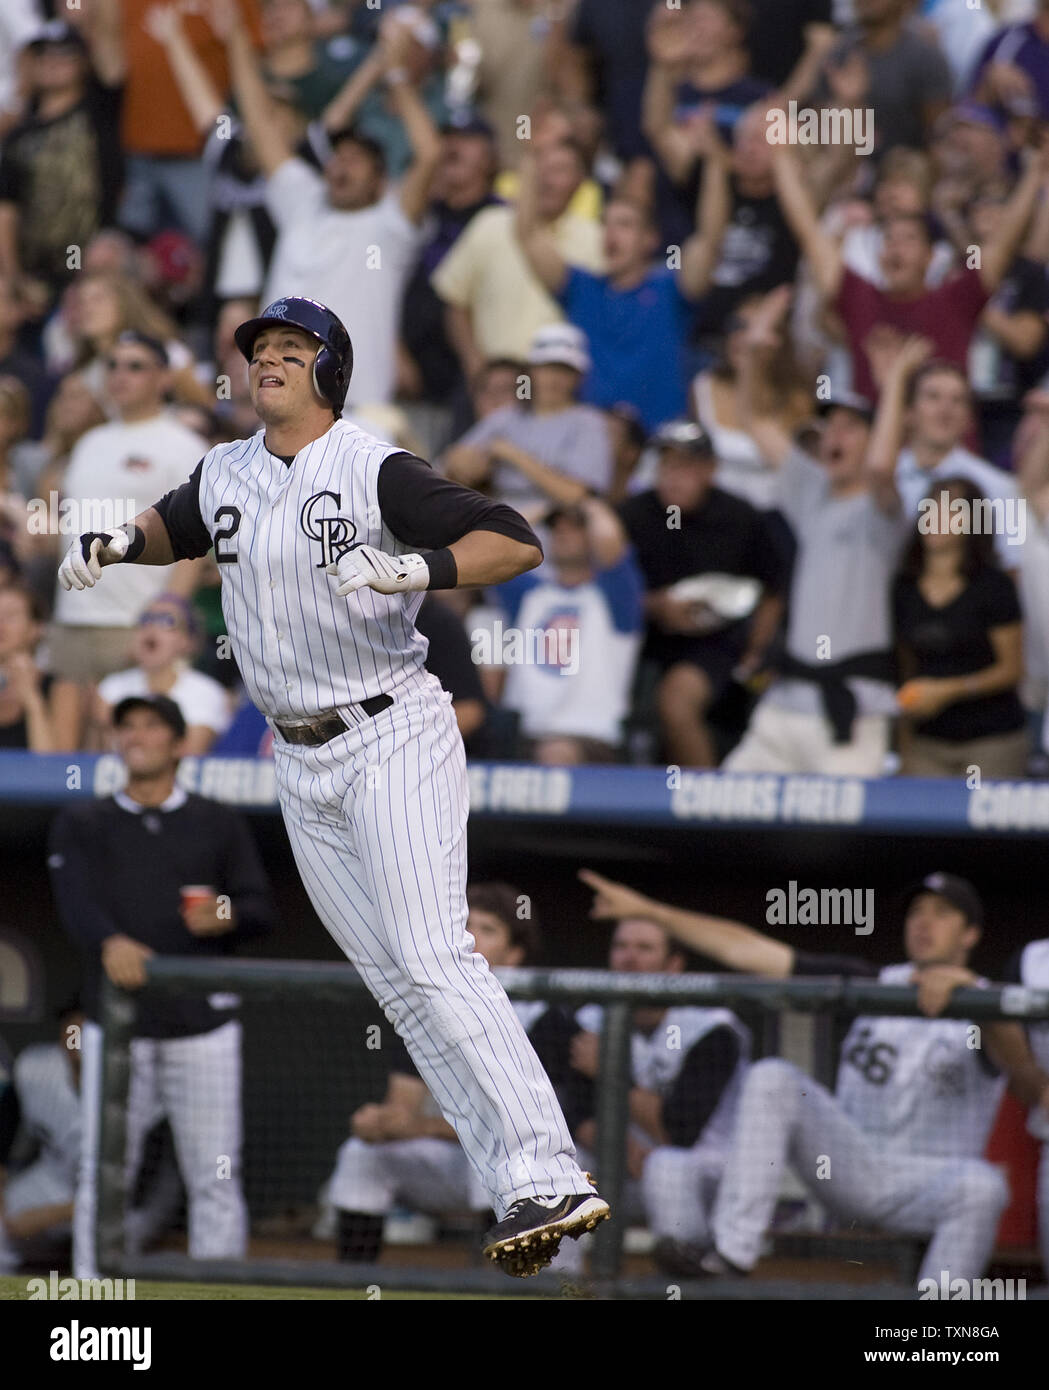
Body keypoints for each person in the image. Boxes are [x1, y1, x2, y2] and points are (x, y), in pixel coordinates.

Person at [56, 294, 609, 1278]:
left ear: (328, 369)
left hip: (388, 731)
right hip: (300, 756)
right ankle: (512, 1182)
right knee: (395, 983)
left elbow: (513, 537)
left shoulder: (372, 463)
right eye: (258, 349)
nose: (266, 361)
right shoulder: (224, 468)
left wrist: (411, 569)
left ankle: (550, 1164)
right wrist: (111, 541)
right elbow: (175, 524)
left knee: (433, 950)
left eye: (289, 348)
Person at [580, 868, 1033, 1285]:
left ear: (971, 933)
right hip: (852, 1164)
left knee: (984, 1187)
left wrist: (974, 997)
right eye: (917, 911)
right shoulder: (875, 980)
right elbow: (750, 951)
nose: (924, 922)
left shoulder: (992, 1003)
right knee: (773, 1077)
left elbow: (1023, 1073)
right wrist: (650, 912)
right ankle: (730, 1255)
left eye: (942, 913)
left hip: (930, 1181)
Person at [47, 693, 276, 1279]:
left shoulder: (216, 820)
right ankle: (91, 1292)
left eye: (151, 726)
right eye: (126, 727)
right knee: (102, 1168)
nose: (136, 736)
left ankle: (222, 1292)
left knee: (216, 1170)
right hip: (119, 1023)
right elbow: (74, 906)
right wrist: (109, 942)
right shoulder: (82, 822)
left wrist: (224, 911)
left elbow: (258, 907)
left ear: (178, 744)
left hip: (202, 1024)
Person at [327, 882, 580, 1264]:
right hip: (451, 1163)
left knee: (501, 1162)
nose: (471, 935)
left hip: (536, 1179)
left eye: (488, 929)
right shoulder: (427, 1011)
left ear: (514, 955)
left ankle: (492, 1288)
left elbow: (520, 1128)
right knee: (360, 1154)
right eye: (465, 923)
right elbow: (401, 1109)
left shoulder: (546, 1020)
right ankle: (353, 1284)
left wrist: (414, 1126)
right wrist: (378, 1123)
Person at [721, 311, 923, 777]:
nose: (835, 435)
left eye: (852, 427)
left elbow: (879, 468)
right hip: (785, 704)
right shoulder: (811, 491)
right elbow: (754, 419)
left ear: (875, 439)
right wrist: (752, 356)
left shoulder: (887, 508)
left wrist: (893, 385)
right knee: (725, 807)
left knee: (847, 842)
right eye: (831, 426)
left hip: (853, 710)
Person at [226, 4, 441, 411]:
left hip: (357, 414)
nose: (341, 165)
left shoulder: (390, 225)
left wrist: (395, 75)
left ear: (381, 181)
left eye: (356, 161)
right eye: (337, 158)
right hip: (278, 411)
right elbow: (259, 119)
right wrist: (237, 35)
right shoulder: (301, 201)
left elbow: (430, 155)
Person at [771, 127, 1049, 404]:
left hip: (949, 444)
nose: (895, 247)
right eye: (888, 240)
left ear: (931, 257)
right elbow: (808, 231)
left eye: (909, 239)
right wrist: (780, 156)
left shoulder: (955, 300)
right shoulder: (859, 298)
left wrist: (1035, 173)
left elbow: (1003, 242)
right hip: (874, 441)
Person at [515, 111, 730, 431]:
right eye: (607, 224)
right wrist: (532, 155)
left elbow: (710, 240)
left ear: (650, 240)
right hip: (589, 445)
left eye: (625, 225)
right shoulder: (581, 288)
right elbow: (528, 233)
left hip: (659, 444)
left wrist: (715, 163)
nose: (611, 234)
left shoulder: (671, 288)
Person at [49, 331, 208, 750]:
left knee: (133, 754)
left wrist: (169, 610)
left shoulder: (183, 444)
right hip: (74, 616)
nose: (120, 375)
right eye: (113, 365)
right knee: (65, 762)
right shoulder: (88, 442)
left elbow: (198, 535)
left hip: (136, 623)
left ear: (164, 378)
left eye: (135, 366)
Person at [568, 912, 750, 1275]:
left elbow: (676, 1132)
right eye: (621, 946)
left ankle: (690, 1278)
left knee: (666, 1165)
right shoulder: (591, 1019)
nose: (629, 957)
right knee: (555, 1170)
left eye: (644, 948)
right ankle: (550, 1289)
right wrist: (615, 1145)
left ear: (674, 964)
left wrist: (609, 1070)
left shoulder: (711, 1027)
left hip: (706, 1175)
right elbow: (573, 1114)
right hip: (622, 1165)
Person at [619, 420, 786, 769]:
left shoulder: (740, 517)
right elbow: (604, 588)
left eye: (686, 466)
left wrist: (756, 651)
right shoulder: (634, 514)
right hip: (638, 640)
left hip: (718, 643)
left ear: (711, 470)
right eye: (667, 464)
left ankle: (704, 803)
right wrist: (655, 606)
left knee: (677, 701)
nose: (674, 476)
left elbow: (774, 589)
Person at [491, 491, 644, 764]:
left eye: (575, 526)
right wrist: (550, 503)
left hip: (590, 737)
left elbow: (611, 542)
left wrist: (581, 499)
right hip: (526, 732)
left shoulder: (616, 595)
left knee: (556, 754)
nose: (562, 532)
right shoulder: (530, 595)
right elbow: (495, 544)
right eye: (556, 527)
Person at [432, 135, 605, 376]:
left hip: (561, 389)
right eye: (540, 169)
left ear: (580, 181)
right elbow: (456, 300)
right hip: (492, 384)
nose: (546, 180)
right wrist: (473, 362)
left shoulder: (597, 239)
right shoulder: (489, 223)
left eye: (559, 171)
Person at [893, 478, 1028, 779]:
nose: (937, 517)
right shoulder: (904, 588)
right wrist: (904, 742)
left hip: (990, 738)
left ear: (974, 521)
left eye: (952, 510)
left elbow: (1012, 669)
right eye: (931, 507)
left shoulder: (994, 586)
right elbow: (905, 668)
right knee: (918, 823)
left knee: (982, 821)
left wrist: (947, 691)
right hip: (927, 741)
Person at [0, 21, 123, 316]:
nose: (53, 62)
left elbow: (111, 59)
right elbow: (6, 210)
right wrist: (14, 277)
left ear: (83, 62)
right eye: (44, 55)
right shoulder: (18, 136)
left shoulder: (101, 111)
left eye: (64, 54)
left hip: (93, 270)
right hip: (35, 277)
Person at [443, 323, 612, 520]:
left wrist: (513, 455)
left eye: (564, 370)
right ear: (530, 372)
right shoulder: (509, 416)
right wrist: (478, 463)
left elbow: (575, 495)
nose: (554, 378)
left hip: (556, 522)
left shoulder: (588, 421)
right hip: (498, 513)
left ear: (578, 378)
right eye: (546, 368)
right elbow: (453, 462)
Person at [94, 593, 233, 756]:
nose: (152, 627)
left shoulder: (207, 693)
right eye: (146, 619)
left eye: (167, 621)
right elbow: (104, 756)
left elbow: (189, 757)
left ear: (187, 641)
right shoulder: (110, 688)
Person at [0, 1001, 83, 1273]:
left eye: (86, 1028)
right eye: (72, 1028)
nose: (76, 1038)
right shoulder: (36, 1069)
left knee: (109, 1264)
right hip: (55, 1181)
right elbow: (4, 1137)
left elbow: (146, 1191)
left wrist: (53, 1215)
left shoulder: (143, 1082)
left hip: (124, 1205)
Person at [0, 583, 54, 751]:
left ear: (35, 629)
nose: (0, 625)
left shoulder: (60, 687)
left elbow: (54, 766)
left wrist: (32, 700)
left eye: (10, 616)